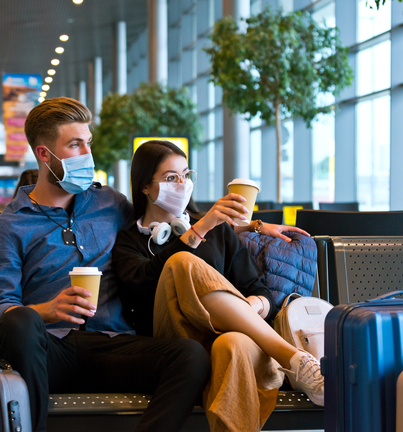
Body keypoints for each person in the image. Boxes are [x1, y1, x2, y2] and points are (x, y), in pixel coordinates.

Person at [0, 98, 211, 432]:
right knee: (20, 322)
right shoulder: (8, 228)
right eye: (75, 145)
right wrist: (46, 310)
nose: (87, 154)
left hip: (112, 344)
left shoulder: (110, 204)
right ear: (44, 154)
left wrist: (256, 226)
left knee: (190, 357)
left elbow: (165, 222)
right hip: (48, 351)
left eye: (88, 143)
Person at [112, 140, 324, 432]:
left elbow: (260, 290)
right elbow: (141, 285)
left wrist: (249, 307)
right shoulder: (129, 240)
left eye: (186, 175)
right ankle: (290, 356)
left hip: (236, 337)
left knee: (231, 344)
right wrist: (200, 228)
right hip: (175, 341)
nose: (182, 184)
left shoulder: (219, 230)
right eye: (171, 178)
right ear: (145, 187)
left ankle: (296, 362)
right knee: (181, 263)